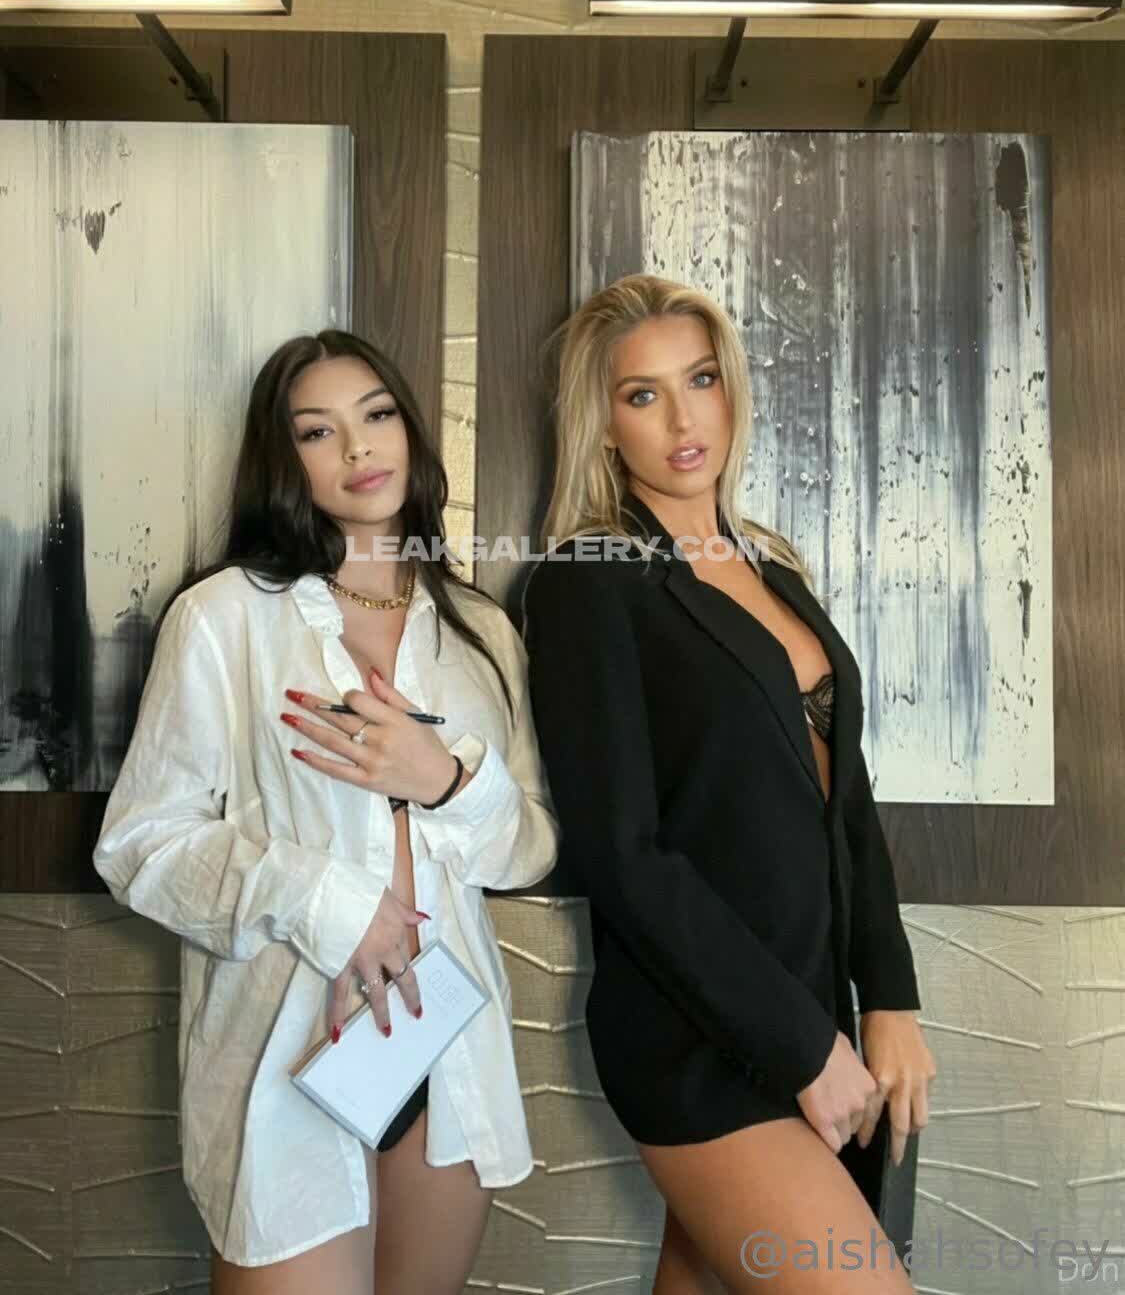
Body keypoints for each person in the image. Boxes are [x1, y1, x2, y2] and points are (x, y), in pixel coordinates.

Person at [93, 329, 559, 1292]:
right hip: (290, 1043)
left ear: (410, 429)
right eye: (317, 430)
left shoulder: (481, 631)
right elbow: (141, 841)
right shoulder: (225, 616)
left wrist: (446, 780)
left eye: (376, 414)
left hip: (445, 1050)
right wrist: (326, 902)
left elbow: (530, 847)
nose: (357, 447)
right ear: (285, 459)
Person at [521, 274, 936, 1294]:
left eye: (699, 379)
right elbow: (623, 855)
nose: (683, 418)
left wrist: (888, 997)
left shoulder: (775, 570)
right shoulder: (588, 579)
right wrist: (802, 1049)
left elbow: (848, 806)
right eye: (643, 393)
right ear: (602, 422)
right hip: (698, 1037)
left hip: (814, 1008)